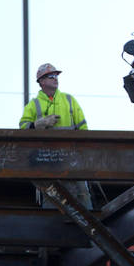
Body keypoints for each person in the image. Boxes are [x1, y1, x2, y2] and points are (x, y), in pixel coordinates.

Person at [20, 63, 93, 209]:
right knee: (51, 197)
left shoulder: (69, 100)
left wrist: (84, 151)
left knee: (82, 194)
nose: (56, 79)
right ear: (42, 81)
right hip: (47, 158)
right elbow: (23, 128)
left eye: (56, 76)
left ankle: (90, 225)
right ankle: (51, 227)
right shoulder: (34, 105)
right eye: (51, 76)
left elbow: (83, 128)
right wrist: (39, 124)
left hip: (73, 157)